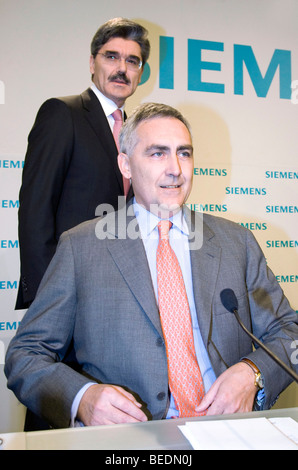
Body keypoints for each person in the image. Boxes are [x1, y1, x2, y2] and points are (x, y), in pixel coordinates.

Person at [5, 103, 298, 429]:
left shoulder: (237, 242)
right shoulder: (82, 247)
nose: (175, 168)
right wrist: (83, 398)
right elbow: (25, 355)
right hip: (129, 440)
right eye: (158, 154)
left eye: (184, 153)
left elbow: (291, 332)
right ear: (126, 165)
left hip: (228, 433)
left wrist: (252, 373)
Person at [15, 17, 150, 311]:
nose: (122, 69)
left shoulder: (135, 134)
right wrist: (47, 295)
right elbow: (35, 209)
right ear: (92, 63)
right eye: (111, 56)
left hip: (118, 293)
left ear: (140, 72)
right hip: (66, 289)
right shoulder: (63, 113)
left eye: (132, 61)